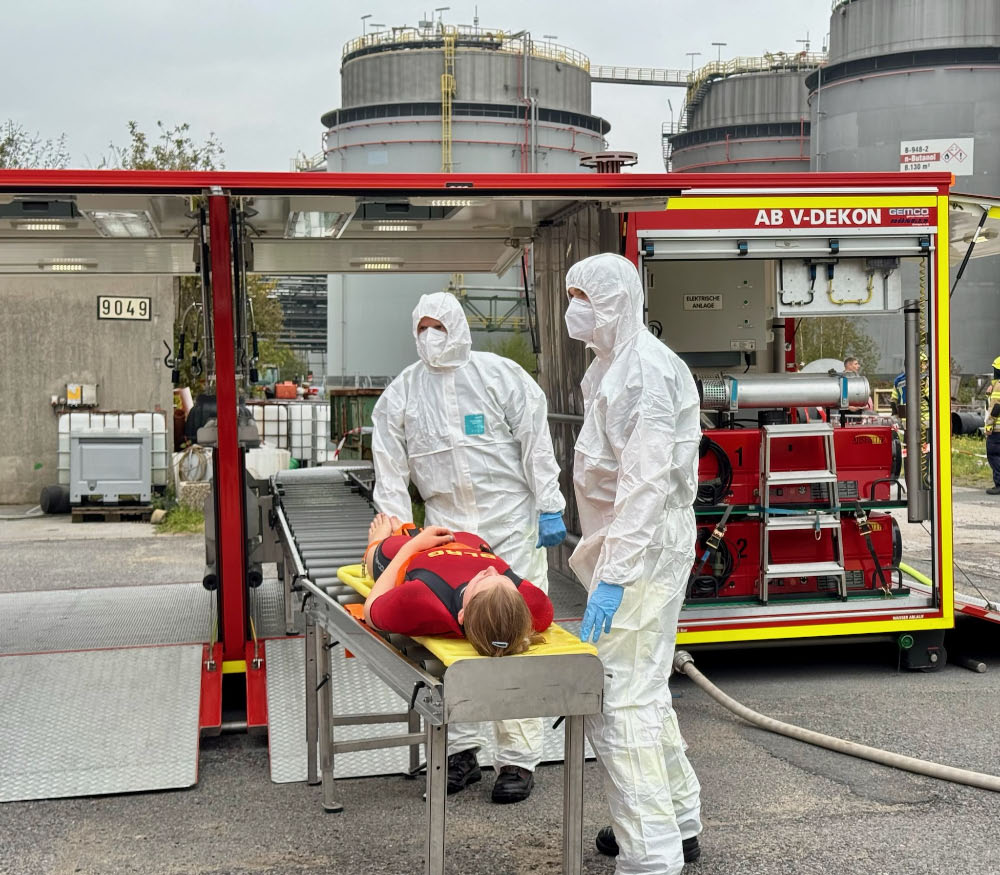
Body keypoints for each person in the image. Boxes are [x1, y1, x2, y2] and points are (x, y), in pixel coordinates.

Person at [371, 291, 567, 804]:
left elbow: (535, 442)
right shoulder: (402, 394)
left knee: (516, 641)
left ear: (459, 326)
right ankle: (461, 751)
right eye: (423, 328)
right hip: (450, 538)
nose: (431, 337)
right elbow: (390, 469)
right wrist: (396, 534)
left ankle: (518, 760)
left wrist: (549, 503)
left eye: (440, 326)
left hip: (512, 528)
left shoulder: (501, 376)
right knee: (448, 647)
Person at [562, 253, 703, 875]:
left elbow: (645, 486)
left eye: (584, 296)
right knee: (643, 689)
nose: (575, 310)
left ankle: (651, 853)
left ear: (615, 300)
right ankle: (678, 819)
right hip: (631, 543)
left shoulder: (643, 372)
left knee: (618, 698)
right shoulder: (610, 369)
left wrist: (614, 576)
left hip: (640, 548)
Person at [362, 513, 553, 655]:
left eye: (484, 579)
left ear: (462, 615)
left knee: (385, 548)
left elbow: (371, 609)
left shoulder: (421, 601)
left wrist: (413, 544)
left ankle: (392, 536)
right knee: (463, 538)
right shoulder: (535, 605)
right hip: (468, 545)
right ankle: (408, 531)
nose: (491, 570)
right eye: (505, 578)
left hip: (417, 556)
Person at [984, 356, 1000, 495]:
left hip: (997, 429)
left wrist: (989, 425)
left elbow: (995, 407)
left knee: (994, 454)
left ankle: (999, 484)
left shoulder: (999, 385)